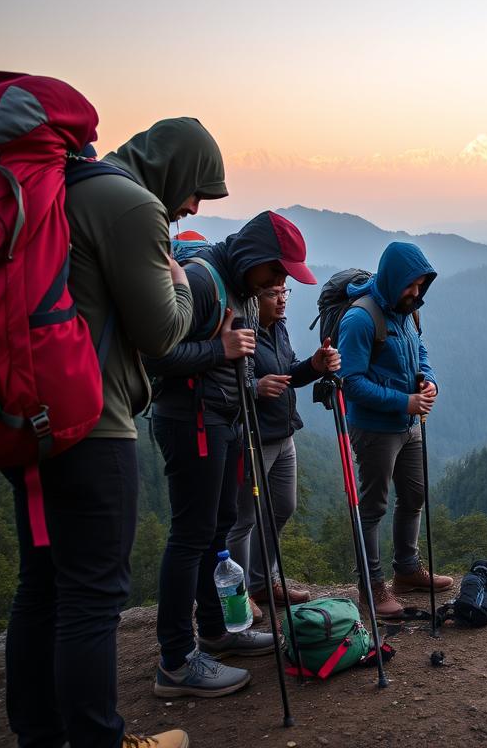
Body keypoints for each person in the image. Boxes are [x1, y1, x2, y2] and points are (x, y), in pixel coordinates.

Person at [4, 117, 225, 748]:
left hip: (33, 418)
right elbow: (160, 332)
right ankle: (100, 740)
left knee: (42, 585)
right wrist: (183, 285)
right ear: (173, 169)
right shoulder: (131, 204)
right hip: (94, 424)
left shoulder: (65, 187)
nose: (192, 207)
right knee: (93, 597)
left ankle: (39, 738)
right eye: (196, 191)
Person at [144, 210, 318, 698]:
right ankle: (176, 663)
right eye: (277, 271)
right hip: (191, 422)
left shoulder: (238, 286)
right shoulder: (203, 282)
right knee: (190, 536)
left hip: (222, 422)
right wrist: (219, 350)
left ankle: (217, 631)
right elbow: (154, 357)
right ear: (256, 258)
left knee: (217, 527)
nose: (279, 282)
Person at [335, 241, 452, 621]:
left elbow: (420, 354)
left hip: (409, 424)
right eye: (411, 285)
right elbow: (349, 382)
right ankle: (371, 588)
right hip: (374, 429)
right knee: (372, 508)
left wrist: (429, 382)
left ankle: (406, 570)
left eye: (421, 286)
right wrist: (405, 403)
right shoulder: (359, 319)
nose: (416, 293)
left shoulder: (406, 312)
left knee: (414, 494)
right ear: (393, 279)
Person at [225, 279, 339, 622]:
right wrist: (255, 388)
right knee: (243, 520)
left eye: (284, 292)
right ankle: (240, 596)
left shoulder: (279, 329)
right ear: (253, 297)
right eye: (273, 293)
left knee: (283, 507)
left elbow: (289, 372)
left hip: (284, 433)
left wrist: (315, 365)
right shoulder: (242, 330)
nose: (282, 300)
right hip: (253, 438)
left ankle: (262, 581)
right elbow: (225, 384)